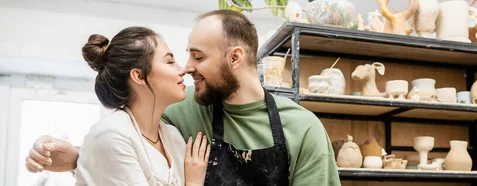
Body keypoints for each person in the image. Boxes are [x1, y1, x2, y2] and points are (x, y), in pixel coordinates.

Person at [25, 10, 341, 186]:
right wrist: (78, 156)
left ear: (234, 57)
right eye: (177, 57)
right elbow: (125, 148)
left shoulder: (303, 129)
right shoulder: (181, 110)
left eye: (197, 57)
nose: (187, 69)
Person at [31, 26, 211, 185]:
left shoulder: (173, 138)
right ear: (139, 76)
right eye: (170, 62)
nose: (183, 70)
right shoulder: (111, 134)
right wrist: (194, 182)